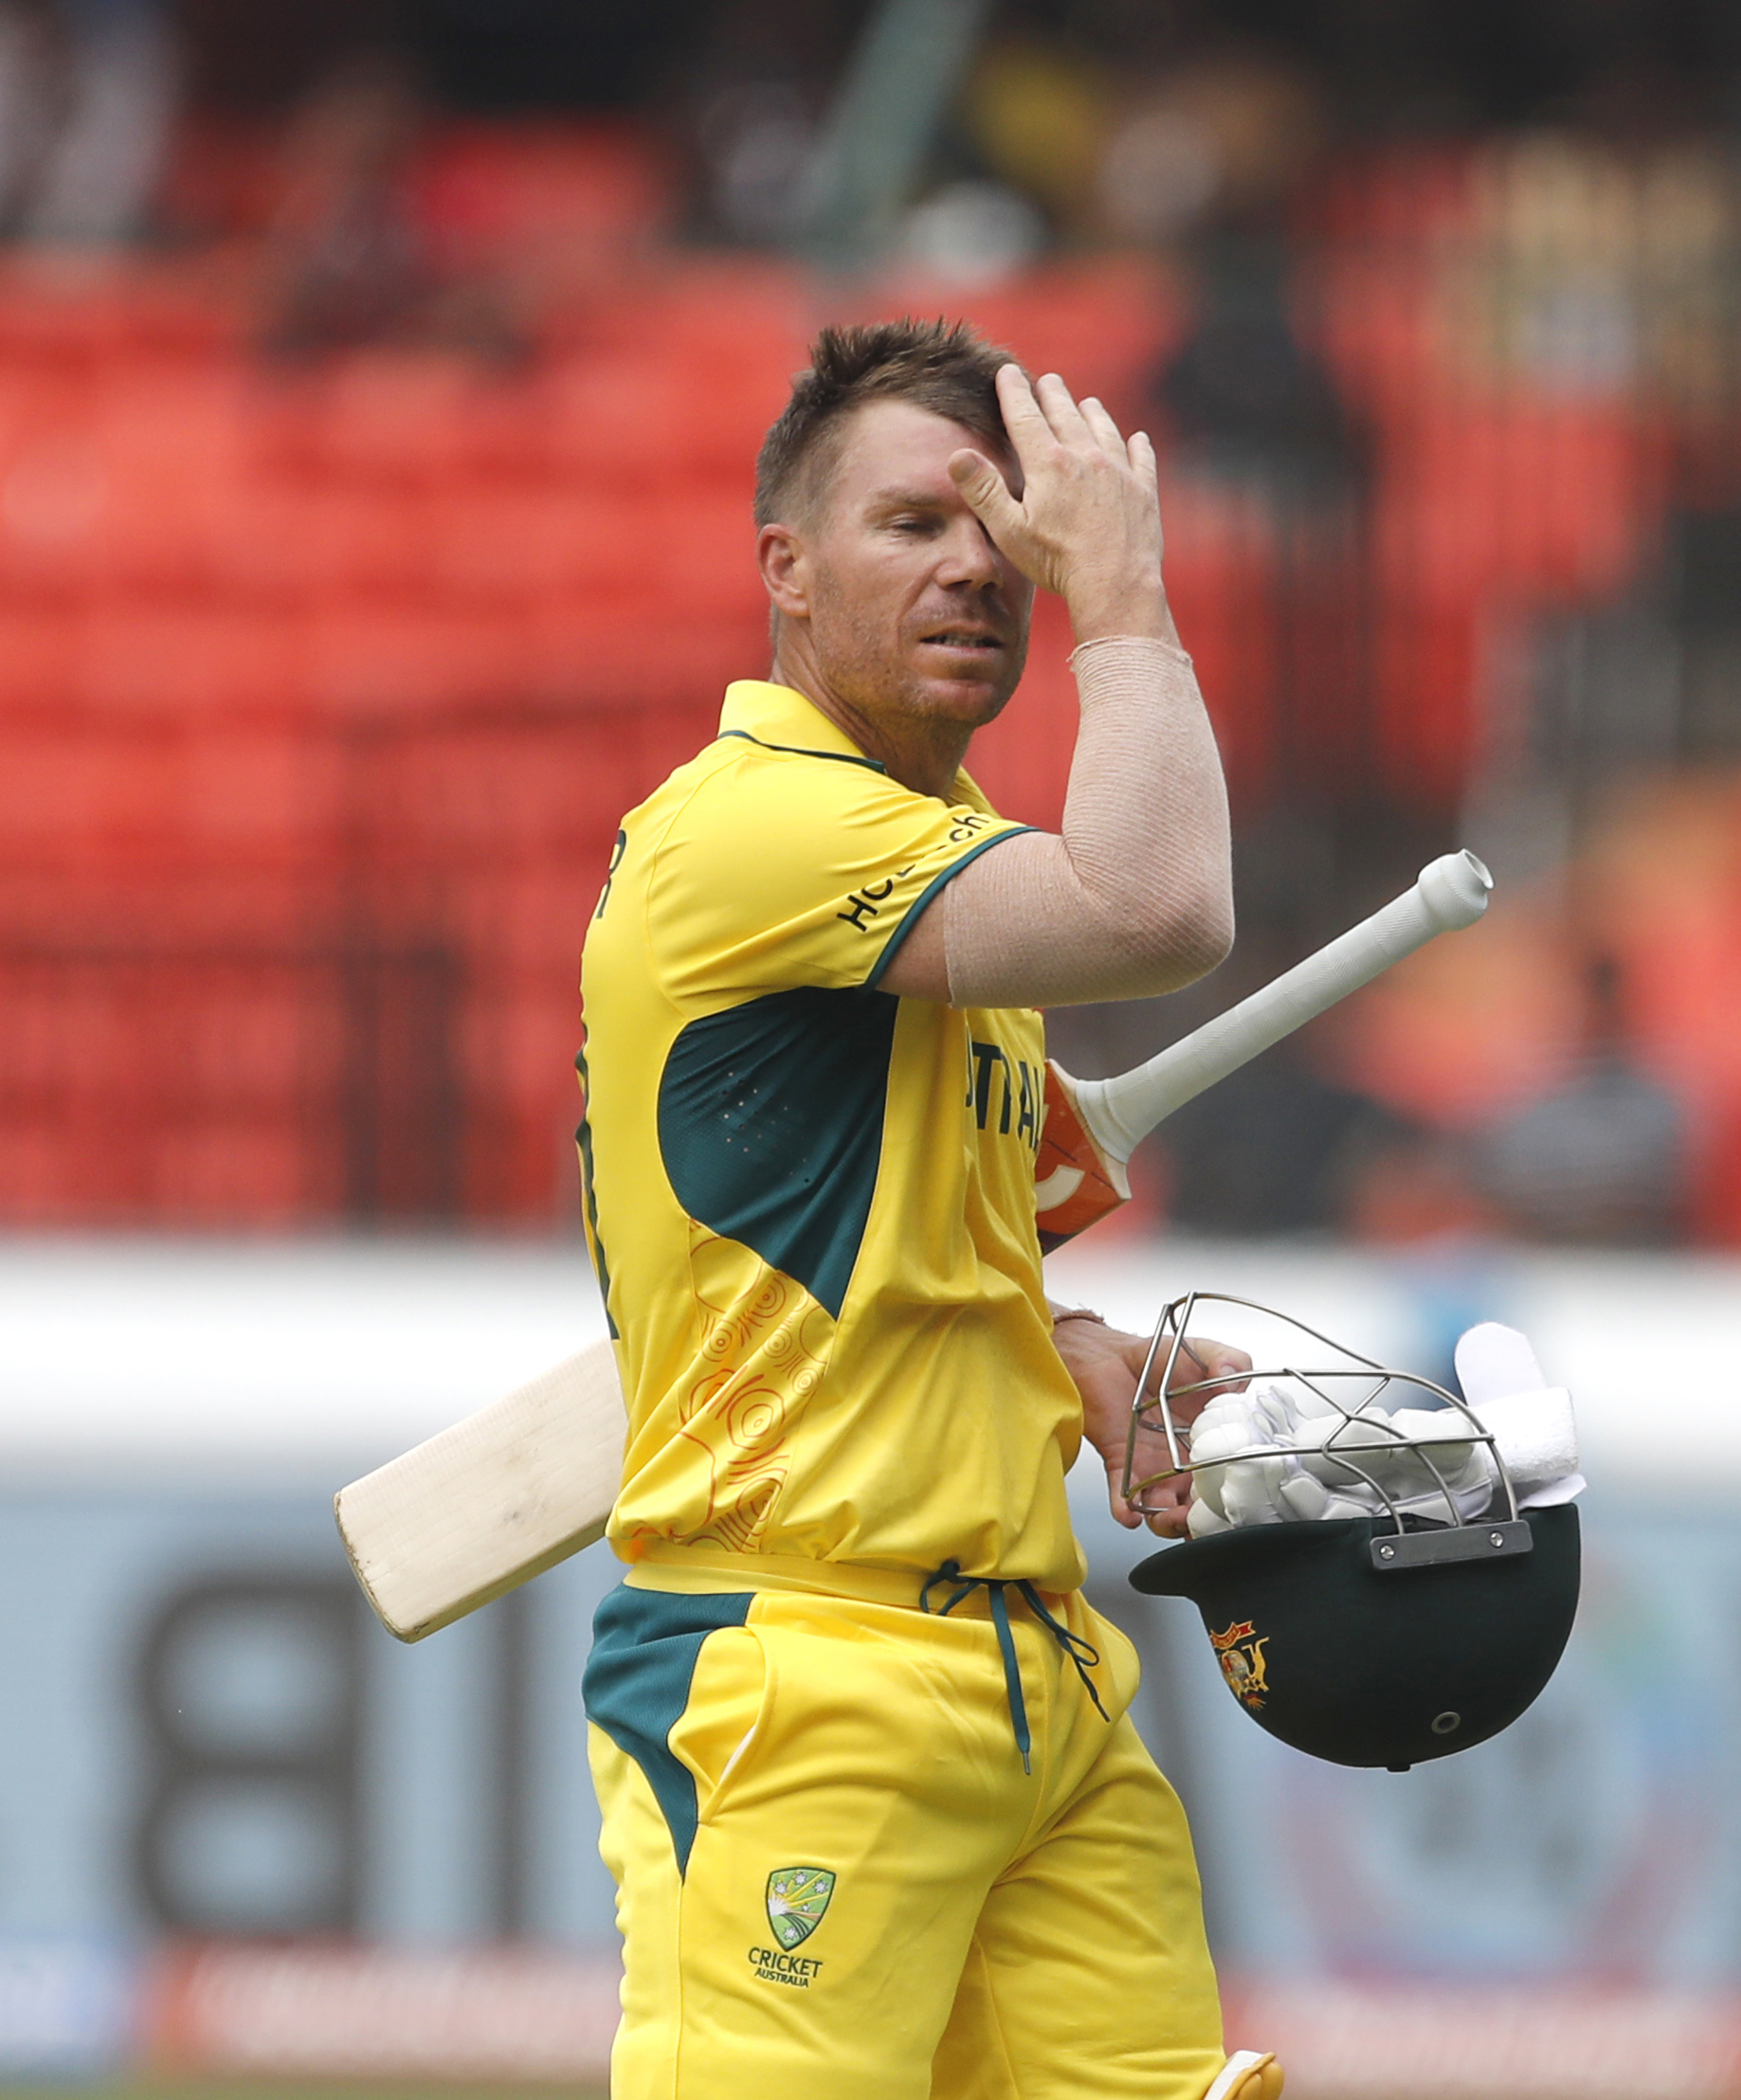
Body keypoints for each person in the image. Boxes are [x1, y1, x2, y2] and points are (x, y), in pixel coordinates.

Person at [571, 317, 1281, 2100]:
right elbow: (1162, 907)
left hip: (1043, 1680)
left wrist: (1062, 1348)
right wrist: (1124, 598)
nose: (977, 564)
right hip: (801, 1675)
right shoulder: (754, 830)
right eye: (911, 524)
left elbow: (892, 1257)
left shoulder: (942, 866)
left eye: (1003, 532)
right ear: (786, 571)